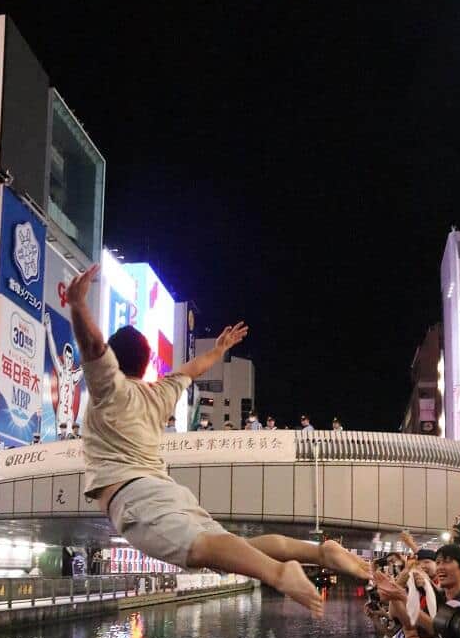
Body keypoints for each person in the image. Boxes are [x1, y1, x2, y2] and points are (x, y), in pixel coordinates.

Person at [68, 264, 370, 617]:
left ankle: (279, 572)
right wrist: (221, 348)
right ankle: (317, 553)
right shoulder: (160, 392)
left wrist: (78, 305)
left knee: (200, 550)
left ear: (114, 362)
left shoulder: (109, 388)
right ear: (147, 363)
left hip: (133, 496)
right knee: (228, 548)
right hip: (164, 489)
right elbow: (194, 368)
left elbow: (92, 345)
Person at [44, 312, 84, 438]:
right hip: (60, 414)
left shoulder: (74, 376)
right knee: (59, 442)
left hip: (69, 416)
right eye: (66, 357)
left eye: (70, 358)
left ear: (72, 360)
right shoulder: (61, 371)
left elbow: (85, 366)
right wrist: (49, 331)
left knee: (70, 443)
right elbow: (53, 352)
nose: (68, 360)